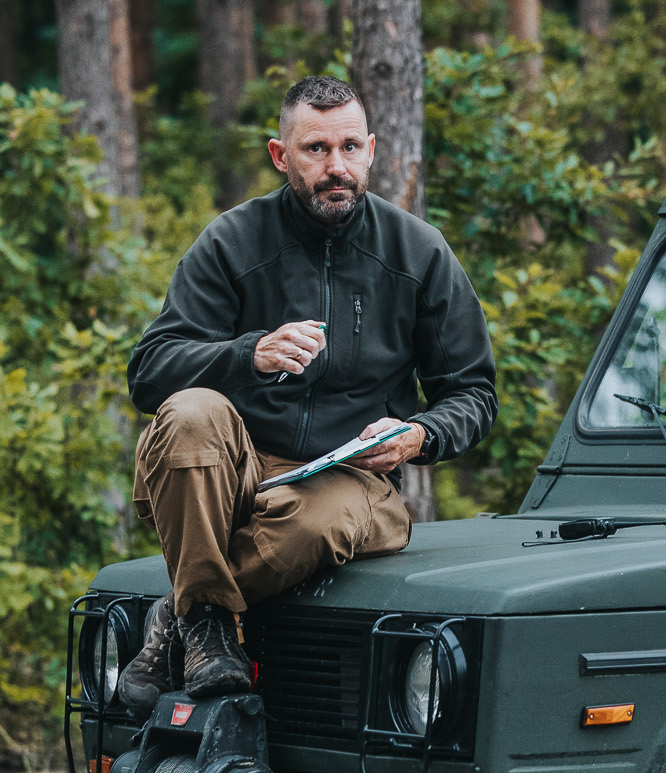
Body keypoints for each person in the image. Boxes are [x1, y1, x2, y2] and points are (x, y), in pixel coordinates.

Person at [118, 75, 497, 711]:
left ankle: (187, 614)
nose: (336, 167)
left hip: (346, 477)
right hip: (231, 471)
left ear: (372, 149)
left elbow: (473, 392)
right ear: (280, 154)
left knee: (321, 520)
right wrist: (247, 354)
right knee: (189, 410)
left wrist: (419, 435)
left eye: (350, 147)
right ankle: (207, 623)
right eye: (315, 149)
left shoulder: (418, 252)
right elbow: (150, 371)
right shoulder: (232, 241)